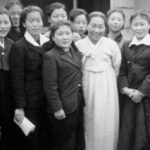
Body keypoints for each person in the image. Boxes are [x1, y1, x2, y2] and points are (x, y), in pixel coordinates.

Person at [76, 11, 121, 150]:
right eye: (93, 25)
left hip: (107, 85)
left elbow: (116, 66)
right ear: (87, 25)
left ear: (105, 27)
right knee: (89, 118)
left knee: (106, 119)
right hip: (87, 84)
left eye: (100, 26)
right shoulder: (78, 44)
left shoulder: (111, 45)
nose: (97, 30)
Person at [9, 5, 49, 150]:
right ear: (24, 23)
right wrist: (19, 106)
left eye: (38, 20)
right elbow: (16, 79)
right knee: (32, 141)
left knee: (46, 139)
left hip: (47, 99)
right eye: (31, 21)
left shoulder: (48, 43)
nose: (35, 24)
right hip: (29, 101)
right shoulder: (19, 46)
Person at [43, 20, 85, 150]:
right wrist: (57, 108)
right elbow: (50, 86)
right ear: (53, 37)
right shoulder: (50, 56)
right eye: (60, 34)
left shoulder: (76, 52)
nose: (65, 37)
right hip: (63, 107)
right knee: (64, 143)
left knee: (77, 140)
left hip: (76, 102)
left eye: (68, 33)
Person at [118, 10, 150, 150]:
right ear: (131, 26)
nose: (138, 28)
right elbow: (123, 70)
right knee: (128, 132)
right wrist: (125, 89)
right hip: (130, 96)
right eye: (135, 25)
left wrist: (141, 92)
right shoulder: (126, 45)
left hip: (146, 97)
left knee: (145, 132)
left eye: (142, 24)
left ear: (148, 25)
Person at [0, 7, 14, 150]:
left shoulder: (12, 44)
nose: (3, 26)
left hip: (8, 95)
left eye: (5, 22)